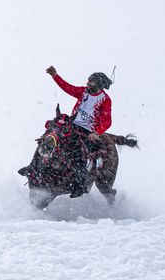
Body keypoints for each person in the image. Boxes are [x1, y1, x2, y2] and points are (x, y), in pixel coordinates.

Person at [44, 65, 113, 197]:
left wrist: (96, 133)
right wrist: (55, 76)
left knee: (79, 153)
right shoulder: (83, 92)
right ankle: (35, 165)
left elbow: (107, 121)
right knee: (51, 133)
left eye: (91, 81)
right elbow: (68, 88)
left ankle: (80, 184)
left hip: (87, 132)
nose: (87, 83)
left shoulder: (105, 100)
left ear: (99, 84)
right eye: (88, 80)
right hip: (72, 125)